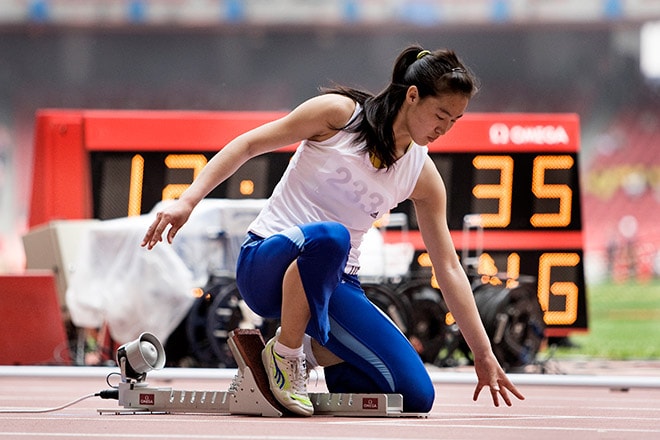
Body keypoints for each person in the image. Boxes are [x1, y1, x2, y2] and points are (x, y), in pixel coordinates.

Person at [142, 45, 525, 416]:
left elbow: (449, 268)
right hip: (266, 264)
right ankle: (285, 358)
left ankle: (306, 352)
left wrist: (483, 353)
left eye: (454, 121)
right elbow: (247, 144)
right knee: (332, 236)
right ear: (412, 96)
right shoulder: (340, 115)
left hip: (335, 283)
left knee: (414, 395)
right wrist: (187, 201)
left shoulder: (422, 175)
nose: (445, 128)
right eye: (441, 114)